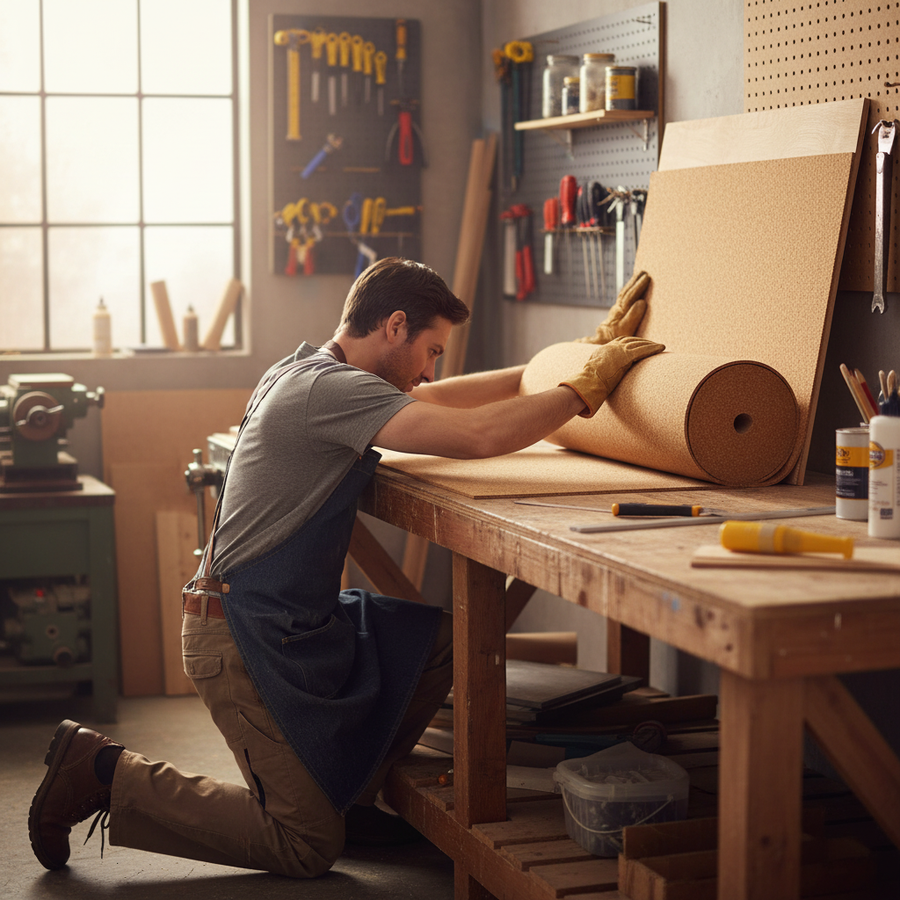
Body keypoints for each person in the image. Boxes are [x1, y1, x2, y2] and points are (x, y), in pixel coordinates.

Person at [28, 258, 663, 878]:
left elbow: (439, 400)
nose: (431, 366)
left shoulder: (314, 370)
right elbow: (477, 436)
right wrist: (583, 388)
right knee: (303, 845)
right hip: (242, 637)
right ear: (394, 326)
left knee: (438, 644)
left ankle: (349, 799)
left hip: (294, 621)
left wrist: (561, 362)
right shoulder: (324, 391)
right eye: (432, 348)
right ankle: (103, 771)